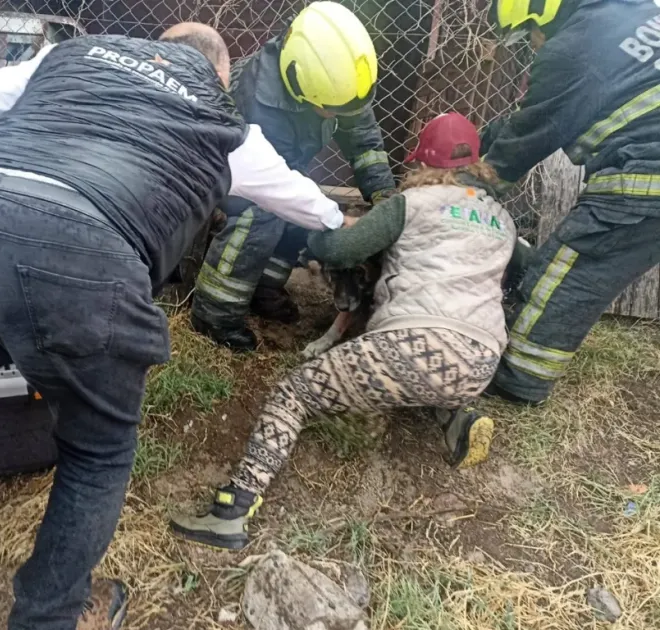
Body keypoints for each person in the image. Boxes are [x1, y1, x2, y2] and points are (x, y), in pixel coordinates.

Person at [0, 24, 358, 630]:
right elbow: (305, 203)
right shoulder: (223, 119)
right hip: (79, 245)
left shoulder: (68, 57)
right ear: (220, 76)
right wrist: (358, 225)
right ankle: (49, 616)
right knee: (96, 453)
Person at [170, 112, 523, 550]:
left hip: (414, 344)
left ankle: (232, 511)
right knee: (436, 372)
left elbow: (338, 248)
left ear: (421, 164)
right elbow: (522, 275)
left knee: (294, 394)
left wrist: (318, 238)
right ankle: (457, 414)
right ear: (477, 163)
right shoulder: (502, 219)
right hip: (480, 358)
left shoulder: (410, 204)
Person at [190, 1, 396, 352]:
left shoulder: (340, 79)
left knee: (305, 209)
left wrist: (384, 199)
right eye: (329, 109)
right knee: (265, 213)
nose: (337, 115)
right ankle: (215, 313)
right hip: (230, 178)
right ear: (298, 84)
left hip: (282, 171)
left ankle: (264, 288)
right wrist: (324, 211)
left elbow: (364, 141)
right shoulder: (258, 98)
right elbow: (268, 186)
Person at [482, 0, 660, 405]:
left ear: (542, 13)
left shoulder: (570, 50)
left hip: (646, 172)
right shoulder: (629, 10)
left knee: (568, 272)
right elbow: (537, 117)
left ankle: (518, 380)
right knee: (581, 266)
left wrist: (472, 183)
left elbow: (527, 139)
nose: (534, 44)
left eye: (529, 33)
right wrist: (486, 138)